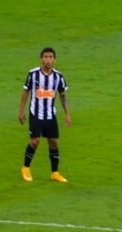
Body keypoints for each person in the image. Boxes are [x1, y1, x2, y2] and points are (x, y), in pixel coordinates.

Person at [18, 46, 71, 183]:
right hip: (35, 114)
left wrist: (67, 114)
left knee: (53, 142)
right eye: (45, 57)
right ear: (41, 59)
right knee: (35, 141)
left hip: (50, 115)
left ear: (54, 60)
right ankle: (26, 167)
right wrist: (21, 111)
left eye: (50, 57)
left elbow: (63, 95)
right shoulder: (33, 74)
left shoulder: (58, 77)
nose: (48, 60)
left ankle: (55, 173)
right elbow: (25, 92)